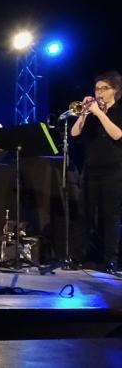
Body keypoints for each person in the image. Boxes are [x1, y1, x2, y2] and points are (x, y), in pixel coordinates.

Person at [70, 70, 122, 274]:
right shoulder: (90, 114)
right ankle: (77, 256)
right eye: (97, 88)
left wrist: (100, 114)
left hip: (114, 171)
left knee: (110, 216)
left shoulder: (118, 112)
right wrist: (84, 113)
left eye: (104, 88)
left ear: (115, 91)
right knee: (84, 214)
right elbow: (75, 133)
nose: (99, 92)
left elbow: (117, 135)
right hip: (90, 170)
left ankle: (111, 260)